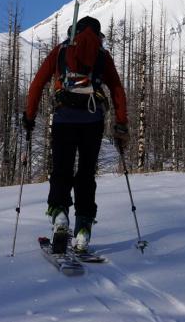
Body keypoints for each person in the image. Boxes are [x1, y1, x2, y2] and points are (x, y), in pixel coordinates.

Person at [22, 15, 130, 253]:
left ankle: (60, 216)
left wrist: (29, 116)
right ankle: (83, 229)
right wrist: (121, 124)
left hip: (64, 118)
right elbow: (117, 90)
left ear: (74, 32)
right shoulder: (102, 55)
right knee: (86, 174)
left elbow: (38, 83)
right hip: (93, 121)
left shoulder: (61, 51)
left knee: (61, 169)